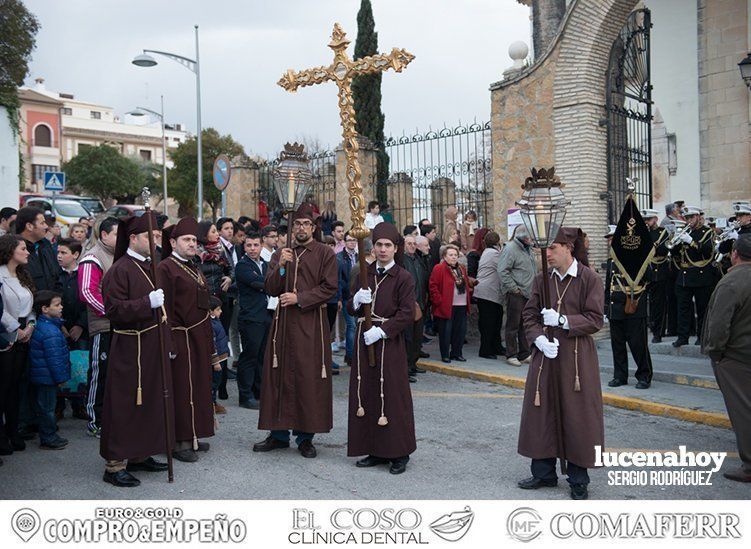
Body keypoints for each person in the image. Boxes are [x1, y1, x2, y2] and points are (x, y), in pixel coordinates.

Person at [517, 227, 605, 500]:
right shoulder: (542, 278)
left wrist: (565, 321)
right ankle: (544, 472)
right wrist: (538, 339)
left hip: (577, 358)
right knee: (541, 410)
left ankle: (579, 478)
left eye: (552, 248)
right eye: (544, 250)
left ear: (568, 247)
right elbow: (529, 315)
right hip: (547, 353)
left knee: (577, 415)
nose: (547, 254)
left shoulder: (589, 278)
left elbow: (595, 319)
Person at [253, 207, 338, 458]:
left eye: (306, 224)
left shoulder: (325, 253)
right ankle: (278, 435)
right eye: (297, 224)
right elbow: (270, 288)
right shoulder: (281, 253)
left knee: (306, 377)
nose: (301, 228)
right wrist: (280, 266)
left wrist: (300, 297)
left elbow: (330, 287)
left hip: (310, 324)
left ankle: (305, 437)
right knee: (278, 376)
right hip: (282, 325)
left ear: (313, 228)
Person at [100, 213, 172, 487]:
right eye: (149, 236)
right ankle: (115, 464)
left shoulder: (151, 265)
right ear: (132, 238)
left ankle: (140, 454)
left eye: (157, 236)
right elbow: (114, 310)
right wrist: (146, 302)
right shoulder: (121, 269)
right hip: (130, 347)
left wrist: (169, 343)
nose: (155, 241)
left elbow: (164, 311)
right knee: (126, 404)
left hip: (153, 344)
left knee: (151, 401)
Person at [347, 222, 416, 474]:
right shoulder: (365, 274)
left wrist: (382, 331)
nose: (383, 249)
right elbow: (349, 307)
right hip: (365, 343)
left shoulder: (403, 277)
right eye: (379, 245)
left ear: (396, 248)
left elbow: (407, 313)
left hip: (389, 343)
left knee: (393, 396)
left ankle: (399, 452)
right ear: (373, 248)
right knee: (368, 393)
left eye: (388, 245)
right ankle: (374, 449)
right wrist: (355, 300)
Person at [157, 217, 215, 463]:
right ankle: (178, 441)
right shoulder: (165, 268)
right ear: (172, 242)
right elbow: (164, 310)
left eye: (194, 240)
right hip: (181, 336)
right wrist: (169, 341)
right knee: (181, 388)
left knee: (199, 385)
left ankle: (193, 434)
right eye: (186, 240)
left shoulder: (193, 265)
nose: (192, 244)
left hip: (198, 335)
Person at [702, 235, 751, 482]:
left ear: (735, 254)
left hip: (736, 358)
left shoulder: (731, 282)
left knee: (743, 412)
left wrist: (716, 353)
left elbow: (719, 325)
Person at [78, 216, 119, 438]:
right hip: (103, 326)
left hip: (121, 326)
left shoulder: (119, 256)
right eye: (116, 234)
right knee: (100, 374)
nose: (121, 239)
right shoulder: (93, 258)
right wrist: (113, 312)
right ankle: (95, 420)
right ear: (104, 235)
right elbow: (87, 292)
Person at [605, 226, 653, 389]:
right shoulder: (611, 261)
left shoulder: (636, 257)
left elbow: (649, 278)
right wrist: (606, 308)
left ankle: (644, 376)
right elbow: (608, 285)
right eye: (609, 239)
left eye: (613, 238)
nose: (610, 242)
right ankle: (620, 376)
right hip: (615, 308)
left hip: (634, 307)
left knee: (638, 344)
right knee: (617, 345)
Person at [0, 235, 35, 455]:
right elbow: (0, 309)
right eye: (23, 248)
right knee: (3, 387)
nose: (27, 252)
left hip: (24, 333)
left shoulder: (22, 275)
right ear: (11, 250)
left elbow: (30, 304)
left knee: (16, 386)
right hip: (6, 334)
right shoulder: (1, 275)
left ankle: (13, 431)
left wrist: (30, 325)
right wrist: (16, 328)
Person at [29, 290, 70, 450]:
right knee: (47, 409)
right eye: (57, 304)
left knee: (46, 407)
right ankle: (48, 437)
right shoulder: (50, 331)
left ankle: (49, 434)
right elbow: (54, 359)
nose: (61, 307)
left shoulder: (47, 326)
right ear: (45, 309)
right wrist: (61, 378)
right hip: (47, 378)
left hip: (44, 376)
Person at [196, 221, 233, 399]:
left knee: (221, 341)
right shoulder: (196, 252)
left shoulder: (221, 250)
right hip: (204, 303)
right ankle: (207, 392)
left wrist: (229, 278)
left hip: (220, 302)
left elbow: (231, 269)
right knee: (207, 345)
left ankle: (221, 387)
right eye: (213, 232)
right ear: (204, 234)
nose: (217, 235)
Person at [235, 231, 271, 410]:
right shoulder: (242, 266)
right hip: (251, 317)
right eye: (249, 245)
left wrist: (268, 282)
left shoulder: (265, 264)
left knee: (262, 356)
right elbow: (261, 283)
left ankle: (259, 392)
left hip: (266, 316)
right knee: (249, 356)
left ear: (261, 245)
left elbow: (269, 282)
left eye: (256, 245)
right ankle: (245, 395)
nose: (252, 249)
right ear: (244, 246)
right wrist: (269, 283)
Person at [672, 205, 715, 347]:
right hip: (684, 275)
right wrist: (676, 243)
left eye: (691, 217)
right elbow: (675, 255)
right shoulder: (685, 231)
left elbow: (708, 251)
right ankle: (682, 336)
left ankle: (701, 336)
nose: (689, 220)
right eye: (687, 218)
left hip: (701, 274)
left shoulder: (707, 232)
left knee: (702, 308)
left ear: (698, 217)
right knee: (682, 308)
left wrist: (690, 241)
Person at [55, 238, 88, 420]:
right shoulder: (55, 274)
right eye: (58, 252)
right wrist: (60, 325)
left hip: (79, 328)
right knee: (59, 365)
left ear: (75, 255)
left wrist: (80, 325)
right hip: (58, 328)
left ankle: (79, 404)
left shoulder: (82, 273)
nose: (59, 256)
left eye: (64, 253)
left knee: (79, 365)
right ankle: (59, 405)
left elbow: (87, 301)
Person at [429, 244, 473, 363]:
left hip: (461, 304)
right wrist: (439, 300)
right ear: (444, 256)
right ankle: (445, 354)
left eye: (455, 255)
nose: (454, 257)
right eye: (451, 255)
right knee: (445, 332)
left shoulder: (461, 268)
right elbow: (433, 286)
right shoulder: (439, 268)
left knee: (460, 331)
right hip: (446, 305)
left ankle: (456, 353)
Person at [499, 225, 536, 367]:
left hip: (527, 292)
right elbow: (503, 271)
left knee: (524, 324)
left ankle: (524, 353)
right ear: (523, 237)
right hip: (516, 293)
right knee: (512, 325)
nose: (532, 239)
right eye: (530, 236)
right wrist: (514, 289)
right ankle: (511, 354)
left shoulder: (528, 248)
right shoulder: (510, 248)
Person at [474, 231, 505, 359]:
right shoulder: (494, 254)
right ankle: (486, 350)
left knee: (496, 321)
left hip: (488, 292)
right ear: (498, 242)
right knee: (489, 322)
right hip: (488, 293)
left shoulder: (488, 252)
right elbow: (504, 267)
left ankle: (496, 346)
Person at [402, 234, 428, 380]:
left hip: (420, 303)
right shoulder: (403, 261)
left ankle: (413, 364)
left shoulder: (417, 259)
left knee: (417, 338)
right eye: (409, 243)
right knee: (408, 338)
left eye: (413, 243)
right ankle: (405, 368)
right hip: (409, 304)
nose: (412, 246)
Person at [16, 206, 60, 292]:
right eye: (42, 223)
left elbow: (57, 277)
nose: (46, 226)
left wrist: (56, 299)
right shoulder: (14, 250)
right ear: (29, 226)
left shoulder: (46, 245)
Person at [642, 209, 670, 343]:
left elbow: (665, 250)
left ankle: (658, 332)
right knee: (645, 302)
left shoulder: (662, 233)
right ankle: (647, 327)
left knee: (658, 303)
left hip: (659, 270)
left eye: (649, 219)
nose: (647, 222)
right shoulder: (642, 233)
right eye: (645, 220)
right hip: (645, 270)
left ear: (655, 219)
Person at [209, 297, 228, 415]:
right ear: (210, 311)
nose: (220, 311)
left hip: (222, 357)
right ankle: (211, 403)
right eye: (218, 309)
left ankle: (213, 402)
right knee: (213, 384)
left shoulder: (216, 320)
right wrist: (215, 362)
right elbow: (212, 344)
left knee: (218, 381)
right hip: (217, 360)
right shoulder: (210, 324)